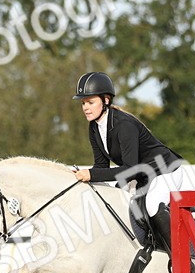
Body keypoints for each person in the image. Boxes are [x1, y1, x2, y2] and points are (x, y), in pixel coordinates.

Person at [70, 71, 186, 259]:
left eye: (90, 102)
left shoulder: (124, 125)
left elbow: (129, 170)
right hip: (143, 175)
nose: (85, 108)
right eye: (83, 103)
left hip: (166, 171)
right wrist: (88, 176)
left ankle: (181, 258)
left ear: (106, 100)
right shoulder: (94, 127)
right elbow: (102, 165)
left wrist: (91, 175)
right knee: (116, 201)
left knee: (152, 204)